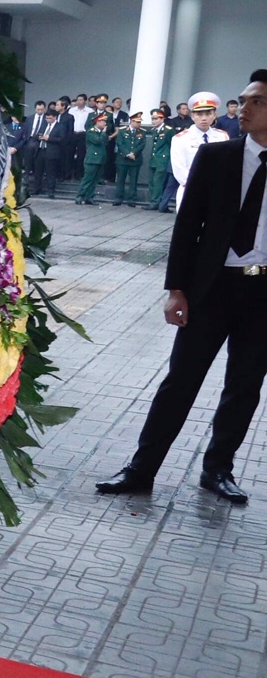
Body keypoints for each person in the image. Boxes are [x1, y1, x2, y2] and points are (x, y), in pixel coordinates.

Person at [97, 78, 267, 505]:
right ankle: (141, 469)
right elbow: (187, 226)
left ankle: (217, 470)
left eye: (257, 102)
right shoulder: (216, 157)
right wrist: (176, 289)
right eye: (243, 101)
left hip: (263, 292)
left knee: (244, 388)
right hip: (212, 288)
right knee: (180, 382)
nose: (244, 109)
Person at [170, 92, 230, 211]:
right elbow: (179, 170)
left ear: (215, 115)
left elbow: (227, 166)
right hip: (191, 191)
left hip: (216, 193)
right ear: (192, 116)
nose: (204, 118)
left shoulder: (222, 137)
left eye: (208, 114)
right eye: (199, 114)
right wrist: (201, 186)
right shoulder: (180, 139)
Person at [75, 110, 110, 205]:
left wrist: (104, 134)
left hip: (100, 159)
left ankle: (89, 197)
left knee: (95, 180)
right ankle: (80, 196)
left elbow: (106, 142)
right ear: (98, 122)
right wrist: (103, 133)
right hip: (92, 159)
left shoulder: (102, 133)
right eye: (103, 122)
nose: (105, 124)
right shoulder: (91, 132)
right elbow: (97, 141)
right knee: (88, 179)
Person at [111, 113, 146, 206]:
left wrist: (134, 153)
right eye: (137, 122)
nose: (139, 124)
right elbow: (119, 143)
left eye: (140, 122)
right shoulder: (122, 131)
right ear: (132, 121)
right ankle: (118, 198)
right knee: (120, 179)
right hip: (123, 159)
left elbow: (142, 144)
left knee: (133, 180)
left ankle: (132, 199)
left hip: (135, 159)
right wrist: (127, 154)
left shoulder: (142, 132)